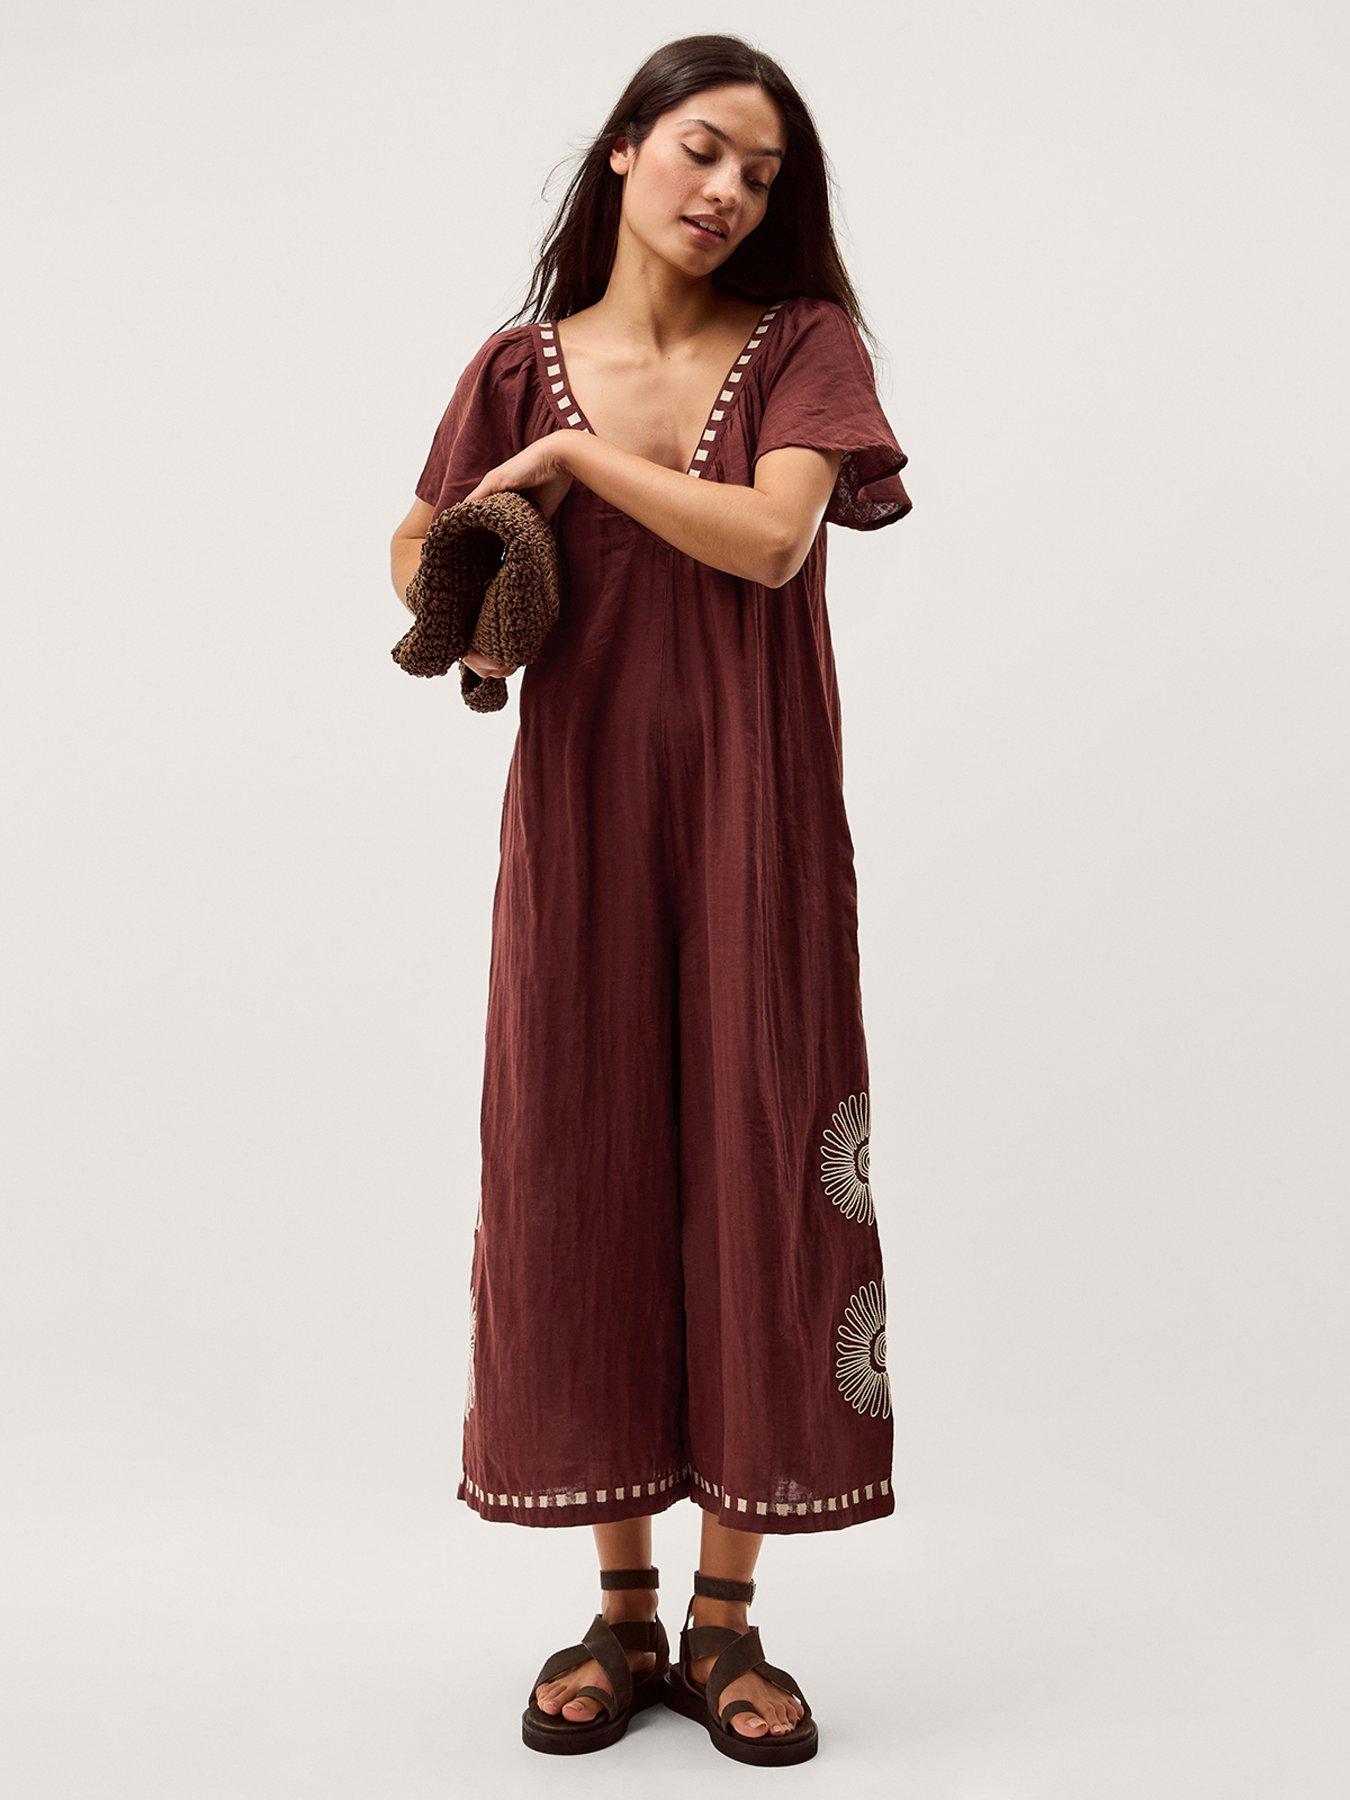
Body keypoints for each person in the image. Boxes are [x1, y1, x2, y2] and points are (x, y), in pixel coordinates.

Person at [388, 33, 912, 1767]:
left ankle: (727, 1617)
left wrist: (575, 467)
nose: (727, 191)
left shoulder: (804, 347)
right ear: (624, 148)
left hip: (758, 817)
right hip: (582, 824)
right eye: (702, 149)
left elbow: (770, 540)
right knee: (581, 1162)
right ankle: (621, 1614)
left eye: (761, 173)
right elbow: (416, 539)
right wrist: (473, 569)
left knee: (757, 1170)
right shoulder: (513, 365)